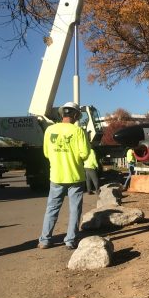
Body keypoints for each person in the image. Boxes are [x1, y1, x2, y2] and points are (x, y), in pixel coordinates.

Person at [38, 102, 90, 250]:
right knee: (75, 209)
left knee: (52, 208)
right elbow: (85, 154)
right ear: (75, 115)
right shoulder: (78, 131)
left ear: (62, 114)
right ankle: (70, 240)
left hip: (56, 176)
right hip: (75, 176)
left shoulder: (50, 130)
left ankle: (45, 240)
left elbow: (47, 153)